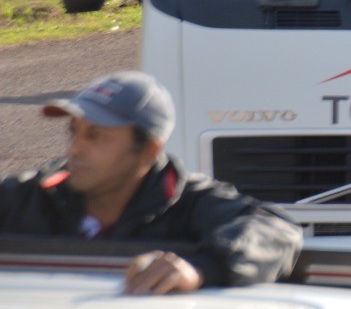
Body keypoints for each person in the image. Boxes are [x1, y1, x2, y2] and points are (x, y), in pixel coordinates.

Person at [0, 71, 301, 294]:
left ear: (149, 149)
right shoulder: (29, 196)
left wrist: (200, 268)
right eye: (73, 131)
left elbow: (277, 231)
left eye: (95, 135)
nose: (74, 148)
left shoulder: (190, 202)